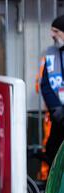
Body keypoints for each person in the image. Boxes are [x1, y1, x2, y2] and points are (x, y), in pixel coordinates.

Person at [40, 15, 64, 167]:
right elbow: (46, 85)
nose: (52, 35)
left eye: (56, 31)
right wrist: (57, 110)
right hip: (59, 118)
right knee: (54, 155)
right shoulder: (51, 53)